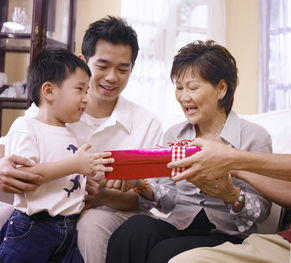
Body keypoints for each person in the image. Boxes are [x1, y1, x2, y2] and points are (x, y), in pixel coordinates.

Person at [168, 27, 291, 263]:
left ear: (222, 89)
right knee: (185, 260)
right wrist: (234, 168)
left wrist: (231, 159)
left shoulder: (253, 135)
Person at [0, 16, 163, 263]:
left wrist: (104, 196)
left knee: (91, 224)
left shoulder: (146, 123)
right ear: (83, 61)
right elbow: (11, 158)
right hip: (42, 216)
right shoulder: (46, 111)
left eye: (122, 69)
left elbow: (148, 200)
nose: (112, 77)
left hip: (99, 214)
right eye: (103, 66)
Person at [105, 40, 272, 263]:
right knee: (133, 230)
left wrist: (229, 193)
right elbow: (170, 200)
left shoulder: (254, 137)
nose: (183, 97)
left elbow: (261, 211)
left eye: (192, 88)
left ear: (221, 89)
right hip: (179, 226)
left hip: (227, 237)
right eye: (179, 87)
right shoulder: (174, 135)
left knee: (163, 254)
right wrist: (140, 183)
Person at [0, 47, 113, 262]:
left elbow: (70, 176)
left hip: (69, 229)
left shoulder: (72, 133)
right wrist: (75, 166)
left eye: (87, 91)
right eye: (80, 89)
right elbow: (26, 175)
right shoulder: (26, 126)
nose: (86, 99)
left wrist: (91, 177)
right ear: (49, 91)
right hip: (33, 228)